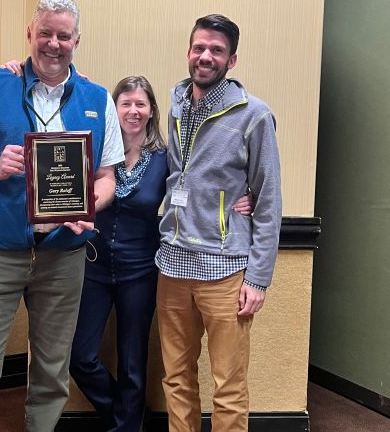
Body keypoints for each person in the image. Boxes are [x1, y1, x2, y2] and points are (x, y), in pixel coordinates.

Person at [0, 0, 124, 432]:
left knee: (52, 370)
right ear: (30, 34)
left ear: (76, 41)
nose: (53, 43)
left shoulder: (98, 99)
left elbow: (106, 178)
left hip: (64, 255)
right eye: (44, 33)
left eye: (63, 36)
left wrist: (92, 206)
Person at [66, 76, 253, 432]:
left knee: (133, 359)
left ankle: (127, 428)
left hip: (141, 270)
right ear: (114, 109)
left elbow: (204, 183)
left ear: (152, 111)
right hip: (94, 267)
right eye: (125, 103)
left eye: (141, 104)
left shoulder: (166, 159)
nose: (133, 111)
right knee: (81, 355)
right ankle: (123, 414)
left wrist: (248, 196)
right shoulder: (93, 152)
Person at [156, 14, 282, 432]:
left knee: (228, 385)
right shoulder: (176, 103)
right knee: (176, 378)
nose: (205, 56)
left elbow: (268, 200)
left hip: (225, 271)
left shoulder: (254, 115)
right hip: (172, 266)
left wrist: (258, 277)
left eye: (216, 50)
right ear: (189, 52)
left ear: (232, 61)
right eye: (199, 48)